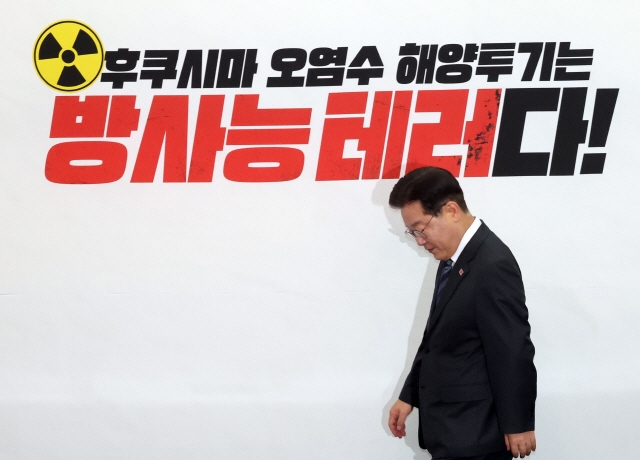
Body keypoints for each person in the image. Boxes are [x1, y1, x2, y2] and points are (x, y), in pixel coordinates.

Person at [387, 166, 536, 460]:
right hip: (453, 431)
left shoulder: (492, 264)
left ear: (451, 210)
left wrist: (518, 425)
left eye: (421, 229)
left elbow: (511, 349)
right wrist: (409, 394)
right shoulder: (453, 258)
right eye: (412, 232)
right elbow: (436, 339)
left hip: (477, 435)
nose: (419, 241)